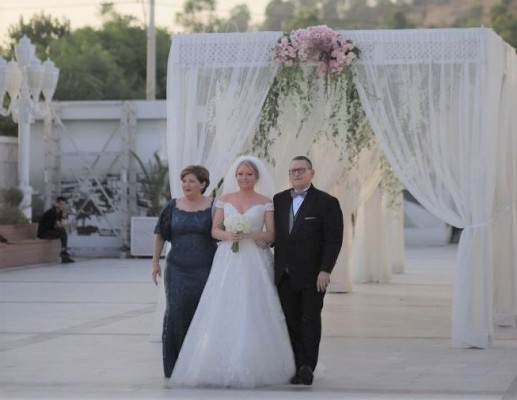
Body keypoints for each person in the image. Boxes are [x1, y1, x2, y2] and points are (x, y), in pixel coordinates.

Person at [171, 155, 295, 388]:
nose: (244, 178)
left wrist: (252, 234)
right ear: (235, 177)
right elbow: (215, 230)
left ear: (256, 177)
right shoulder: (224, 199)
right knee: (222, 305)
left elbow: (272, 234)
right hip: (229, 258)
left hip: (255, 261)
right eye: (240, 174)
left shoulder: (266, 201)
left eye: (248, 174)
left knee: (254, 306)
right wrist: (230, 235)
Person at [273, 155, 344, 386]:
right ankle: (296, 363)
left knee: (310, 319)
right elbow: (278, 235)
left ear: (312, 173)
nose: (296, 174)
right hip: (284, 275)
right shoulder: (279, 200)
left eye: (301, 170)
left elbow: (333, 240)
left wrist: (325, 270)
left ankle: (307, 366)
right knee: (291, 321)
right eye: (292, 170)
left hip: (313, 275)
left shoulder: (327, 202)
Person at [151, 165, 217, 378]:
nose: (186, 185)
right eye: (184, 181)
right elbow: (160, 235)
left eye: (191, 181)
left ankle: (199, 363)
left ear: (203, 184)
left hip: (206, 267)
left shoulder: (215, 206)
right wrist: (154, 263)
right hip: (177, 268)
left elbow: (222, 234)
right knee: (176, 312)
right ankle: (175, 366)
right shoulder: (172, 206)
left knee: (201, 313)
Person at [37, 196, 75, 264]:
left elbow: (59, 224)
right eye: (61, 204)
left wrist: (63, 219)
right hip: (44, 233)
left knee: (62, 231)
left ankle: (64, 253)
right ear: (57, 204)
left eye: (64, 204)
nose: (63, 206)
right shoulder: (52, 212)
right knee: (62, 231)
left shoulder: (59, 213)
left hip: (51, 231)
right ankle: (64, 253)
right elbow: (58, 226)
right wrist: (69, 224)